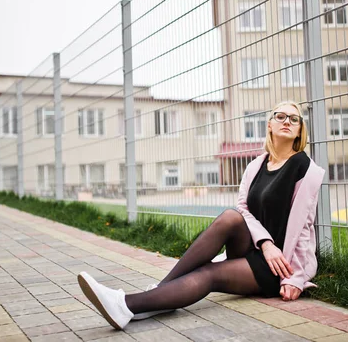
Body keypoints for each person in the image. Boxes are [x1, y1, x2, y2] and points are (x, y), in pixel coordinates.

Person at [77, 100, 325, 330]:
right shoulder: (257, 165)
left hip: (278, 264)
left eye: (294, 119)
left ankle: (126, 305)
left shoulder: (304, 168)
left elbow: (303, 228)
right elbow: (244, 209)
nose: (287, 122)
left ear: (300, 130)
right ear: (269, 125)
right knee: (230, 217)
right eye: (280, 116)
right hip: (258, 248)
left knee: (209, 273)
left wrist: (295, 278)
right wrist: (265, 242)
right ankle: (160, 294)